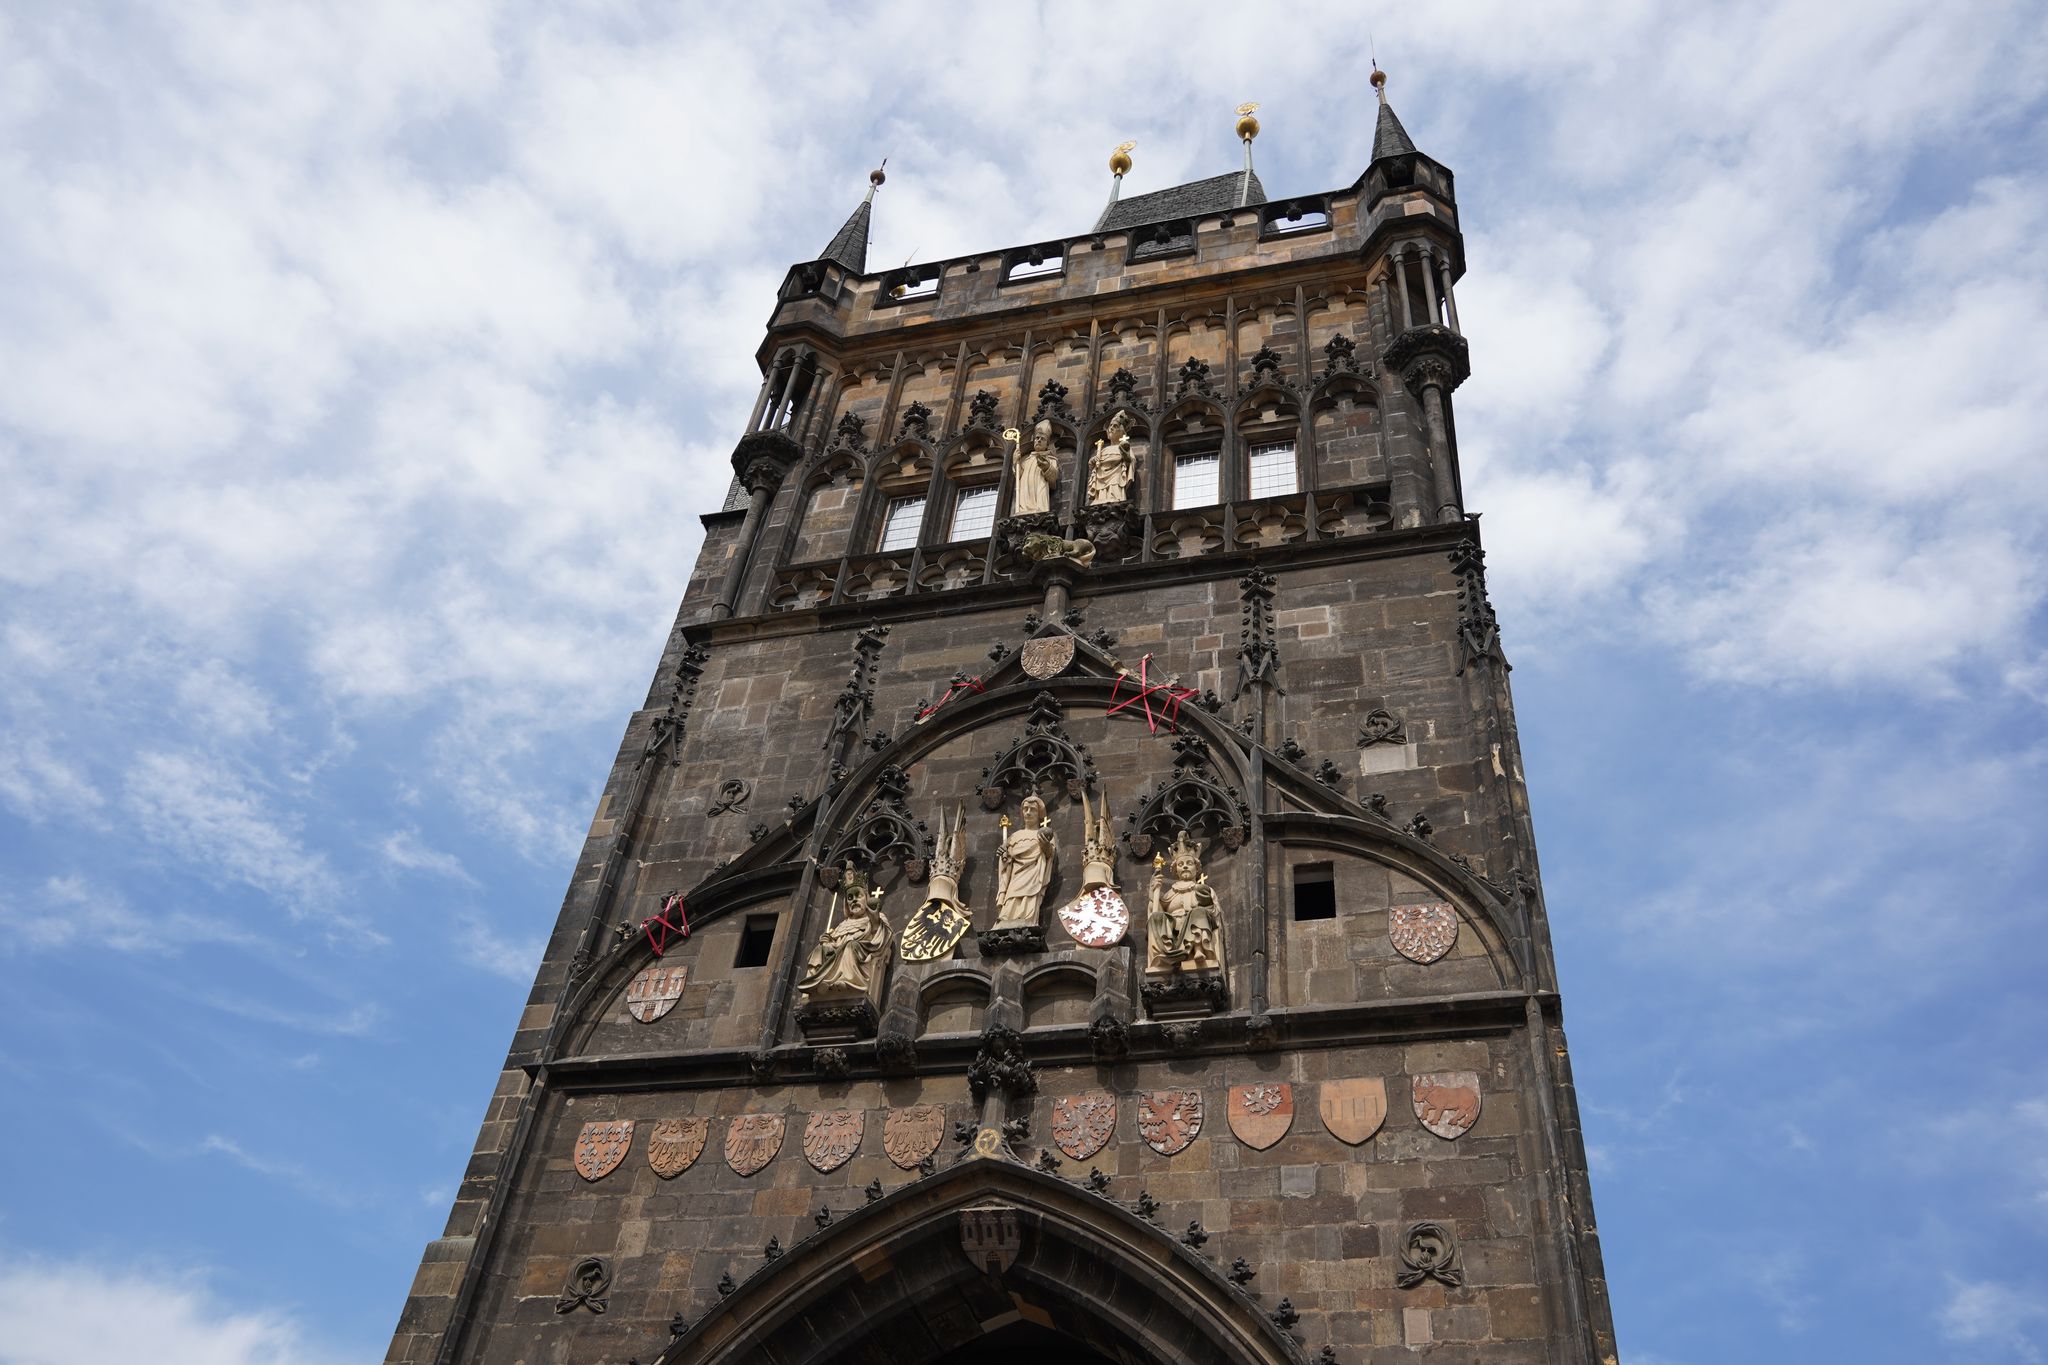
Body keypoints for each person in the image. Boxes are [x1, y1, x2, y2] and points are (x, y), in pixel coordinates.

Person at [992, 794, 1057, 927]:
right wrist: (1004, 855)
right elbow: (1007, 858)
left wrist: (1045, 846)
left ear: (1039, 814)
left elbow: (1050, 855)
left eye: (1032, 809)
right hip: (1016, 876)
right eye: (1025, 809)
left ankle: (1028, 920)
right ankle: (1006, 919)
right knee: (1011, 897)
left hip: (1033, 874)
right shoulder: (1014, 836)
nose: (1028, 812)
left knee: (1029, 896)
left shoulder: (1042, 834)